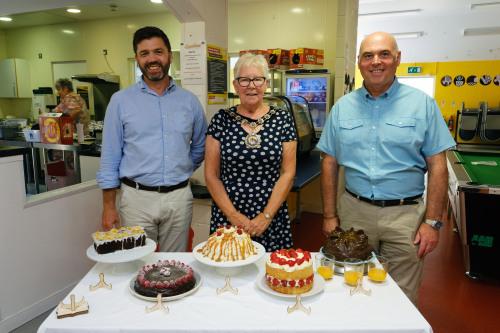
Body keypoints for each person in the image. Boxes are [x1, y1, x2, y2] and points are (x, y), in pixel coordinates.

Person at [317, 31, 456, 306]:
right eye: (368, 56)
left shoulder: (423, 104)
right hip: (353, 212)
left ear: (397, 59)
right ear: (359, 62)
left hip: (405, 217)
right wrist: (329, 215)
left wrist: (432, 223)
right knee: (349, 285)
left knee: (400, 296)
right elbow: (329, 163)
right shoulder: (342, 108)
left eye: (384, 54)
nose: (376, 62)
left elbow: (438, 165)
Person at [96, 26, 208, 252]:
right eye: (144, 53)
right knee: (137, 264)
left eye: (158, 51)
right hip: (136, 199)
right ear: (137, 59)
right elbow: (110, 155)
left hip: (179, 198)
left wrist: (182, 167)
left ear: (169, 55)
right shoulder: (120, 101)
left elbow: (201, 145)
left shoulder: (190, 101)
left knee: (174, 265)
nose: (152, 59)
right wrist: (109, 206)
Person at [204, 53, 297, 252]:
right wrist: (234, 216)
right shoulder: (221, 120)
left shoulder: (282, 119)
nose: (251, 86)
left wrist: (266, 216)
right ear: (235, 85)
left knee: (270, 273)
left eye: (257, 79)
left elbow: (288, 173)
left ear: (266, 84)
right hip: (228, 214)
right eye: (244, 80)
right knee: (228, 269)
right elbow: (211, 175)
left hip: (271, 215)